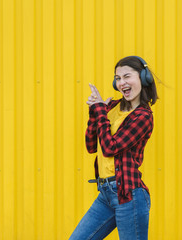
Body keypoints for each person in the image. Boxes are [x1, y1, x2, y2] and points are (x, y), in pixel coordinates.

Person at [69, 56, 158, 240]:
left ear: (143, 78)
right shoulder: (112, 107)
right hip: (106, 195)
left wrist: (100, 111)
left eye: (127, 76)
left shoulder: (143, 116)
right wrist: (95, 111)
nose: (121, 82)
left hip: (129, 195)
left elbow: (110, 147)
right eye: (118, 78)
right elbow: (92, 146)